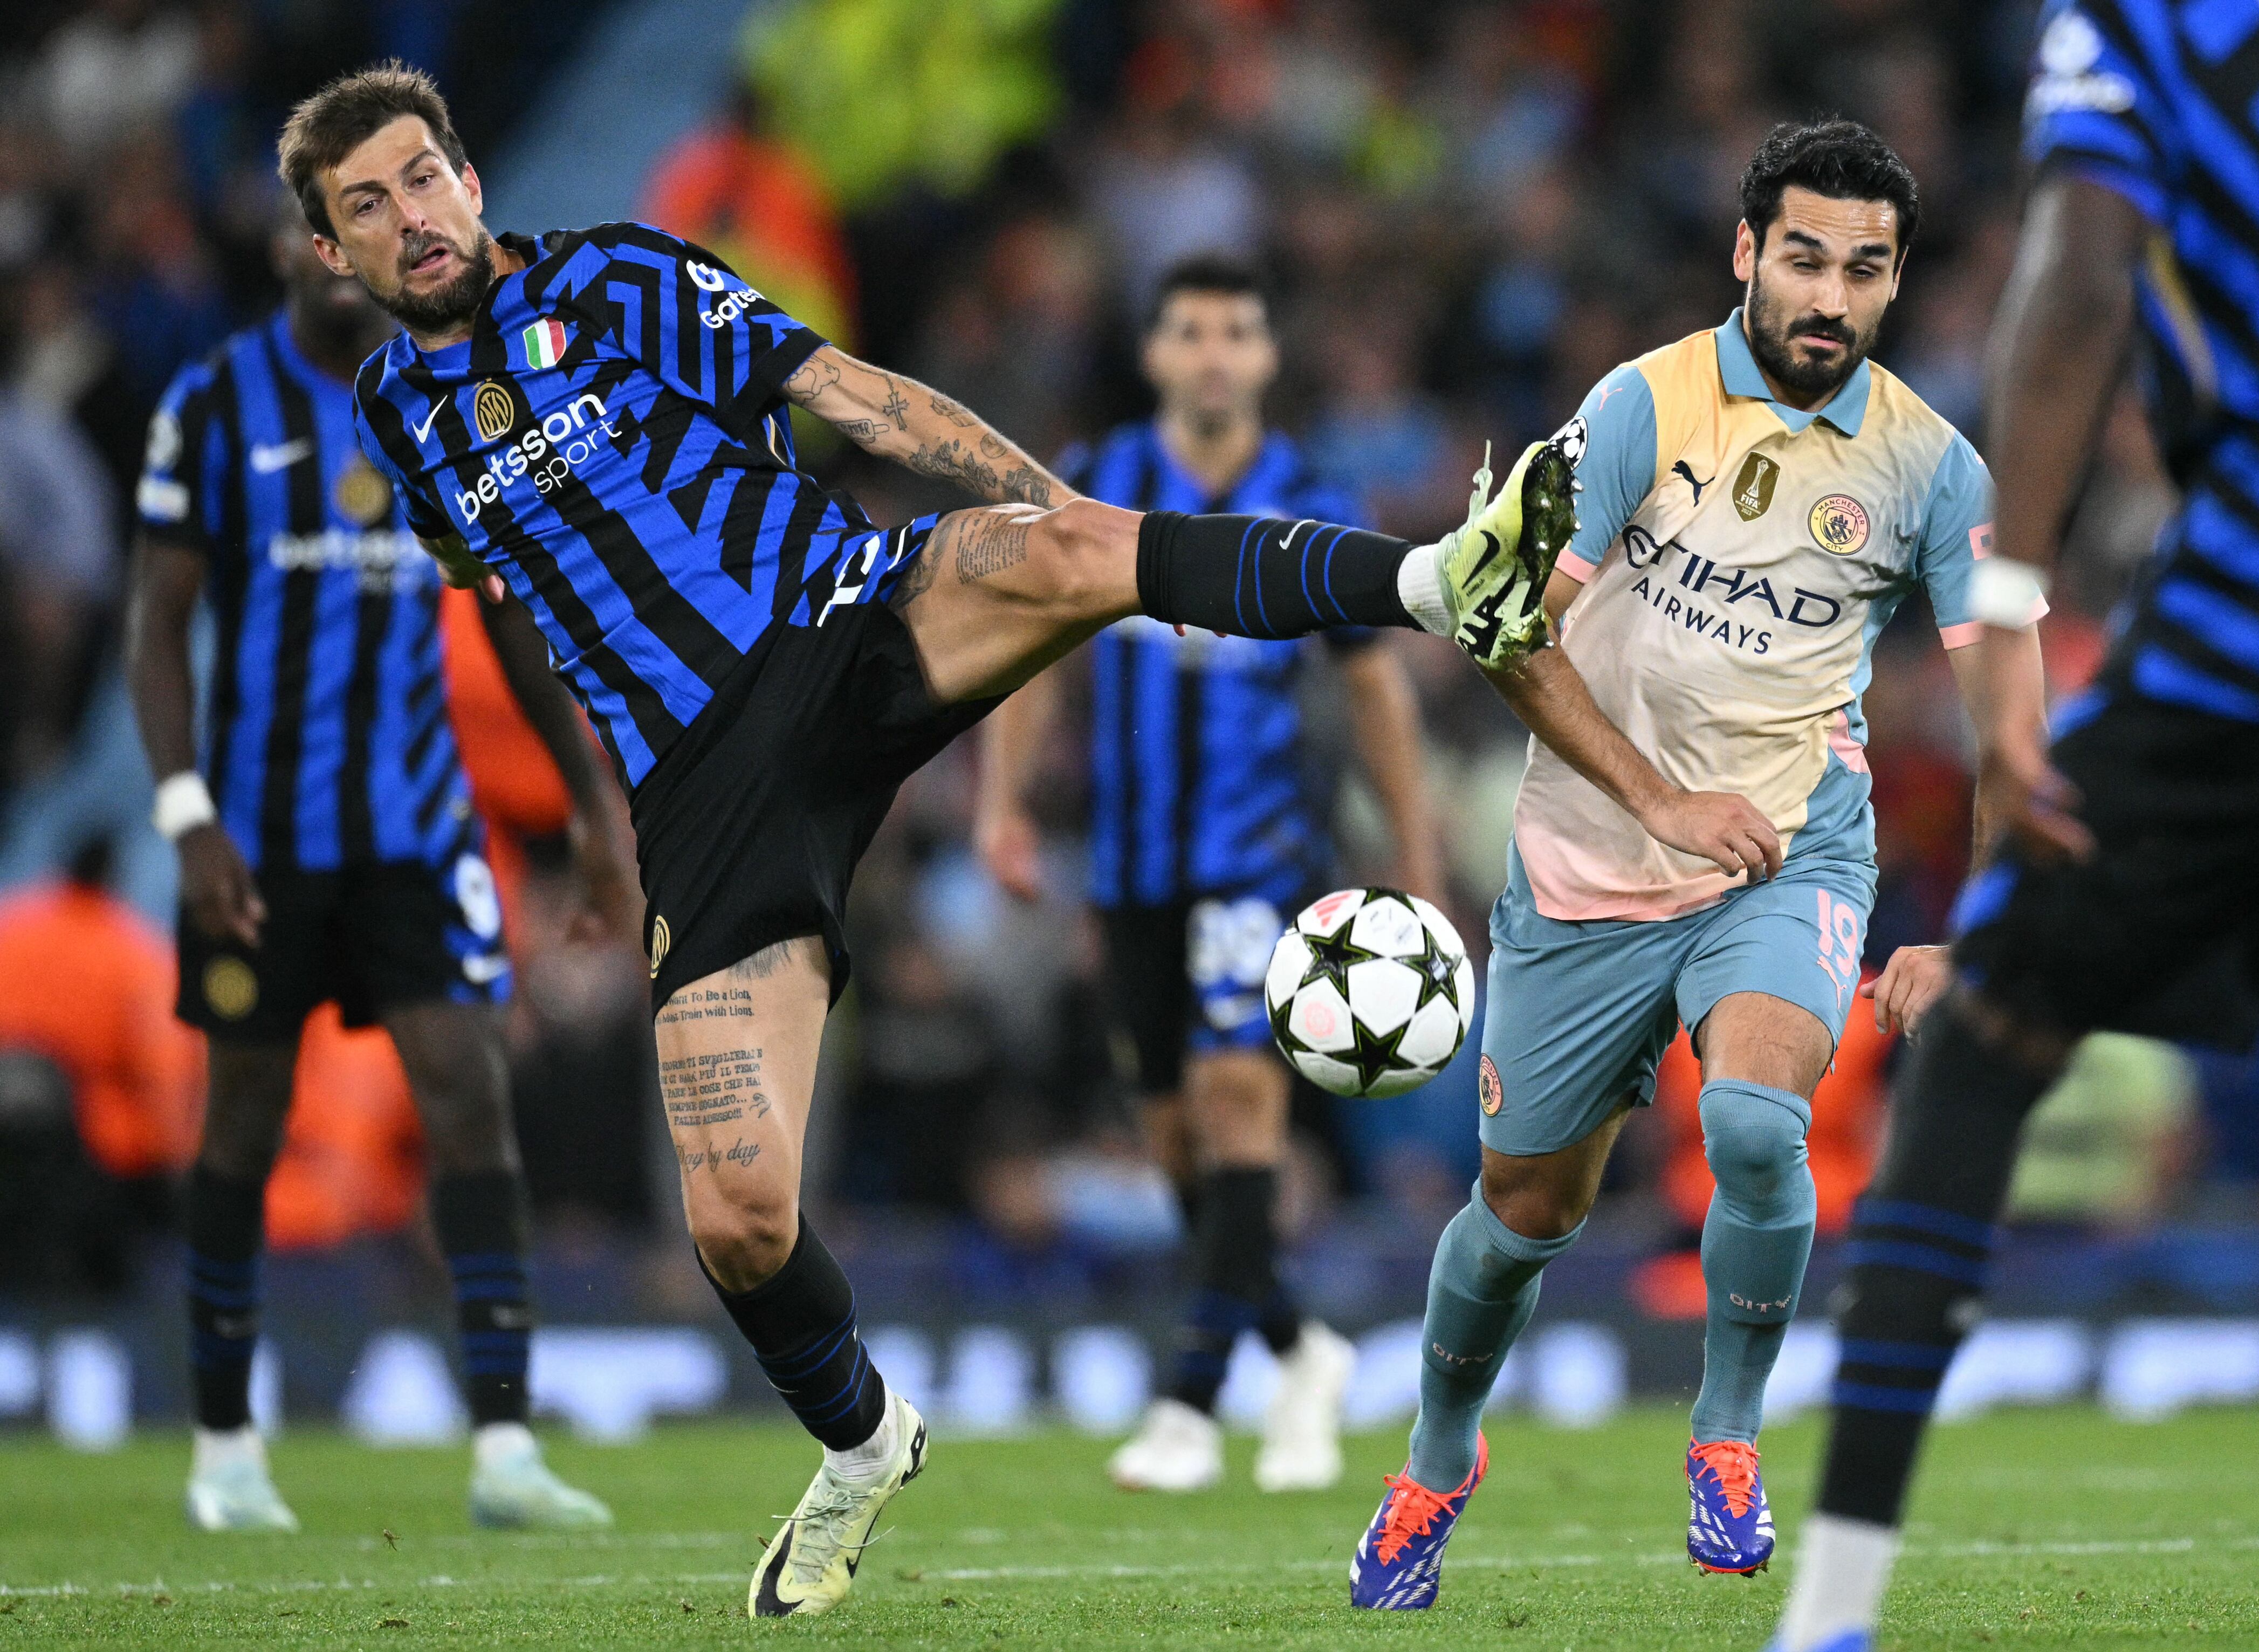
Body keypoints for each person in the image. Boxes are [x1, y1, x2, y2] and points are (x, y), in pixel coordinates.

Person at [278, 61, 1577, 1617]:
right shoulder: (394, 425)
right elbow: (503, 604)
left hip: (841, 614)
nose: (408, 217)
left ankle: (1436, 578)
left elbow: (847, 394)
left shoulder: (613, 275)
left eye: (423, 178)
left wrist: (1056, 527)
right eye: (367, 204)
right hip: (698, 787)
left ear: (471, 181)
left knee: (1087, 540)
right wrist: (585, 824)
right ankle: (863, 1441)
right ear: (328, 254)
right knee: (740, 1220)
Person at [1767, 7, 2259, 1649]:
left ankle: (1830, 1617)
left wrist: (2003, 617)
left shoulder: (2156, 18)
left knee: (1985, 1025)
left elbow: (2079, 281)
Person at [1344, 120, 2052, 1612]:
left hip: (1787, 853)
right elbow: (1507, 638)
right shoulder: (1633, 410)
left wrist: (1972, 927)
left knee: (1751, 1124)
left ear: (1894, 281)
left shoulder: (1933, 464)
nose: (1830, 295)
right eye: (1802, 257)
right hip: (1589, 863)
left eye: (1864, 269)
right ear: (1745, 253)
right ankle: (1436, 1454)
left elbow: (2009, 713)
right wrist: (1659, 801)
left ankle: (1724, 1435)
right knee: (1521, 1214)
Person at [126, 208, 632, 1534]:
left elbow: (510, 620)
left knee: (471, 1097)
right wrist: (186, 820)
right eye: (318, 224)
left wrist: (590, 804)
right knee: (240, 1121)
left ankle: (506, 1447)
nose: (339, 248)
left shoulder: (457, 396)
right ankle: (228, 1449)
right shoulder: (213, 404)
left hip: (416, 832)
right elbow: (156, 629)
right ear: (290, 250)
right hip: (258, 846)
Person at [976, 256, 1443, 1495]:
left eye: (1240, 329)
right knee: (1176, 1139)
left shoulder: (1310, 498)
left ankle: (1187, 1402)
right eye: (1193, 330)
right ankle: (1300, 1349)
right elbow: (1032, 652)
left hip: (1259, 859)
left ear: (1268, 356)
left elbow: (1373, 680)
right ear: (1159, 354)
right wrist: (1003, 804)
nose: (1218, 352)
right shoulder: (1103, 487)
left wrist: (1416, 853)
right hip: (1132, 866)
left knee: (1242, 1102)